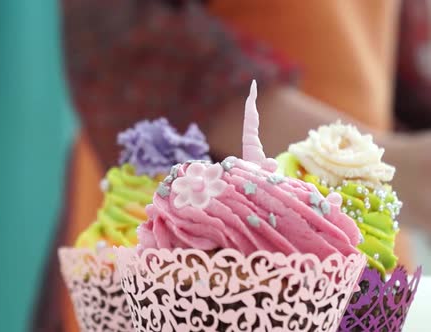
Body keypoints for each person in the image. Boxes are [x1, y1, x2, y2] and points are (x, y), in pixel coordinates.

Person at [33, 0, 431, 330]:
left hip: (365, 241)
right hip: (187, 257)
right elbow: (119, 34)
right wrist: (379, 162)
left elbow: (398, 72)